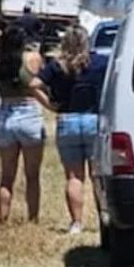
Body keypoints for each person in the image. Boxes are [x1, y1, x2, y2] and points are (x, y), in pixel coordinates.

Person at [32, 23, 108, 234]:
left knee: (74, 177)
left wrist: (50, 105)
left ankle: (76, 223)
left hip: (68, 120)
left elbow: (33, 84)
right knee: (97, 175)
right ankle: (104, 218)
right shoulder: (100, 62)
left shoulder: (57, 66)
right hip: (94, 120)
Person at [0, 24, 54, 223]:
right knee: (32, 175)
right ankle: (33, 218)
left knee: (7, 176)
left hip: (6, 114)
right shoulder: (32, 59)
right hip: (28, 113)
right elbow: (42, 79)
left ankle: (3, 219)